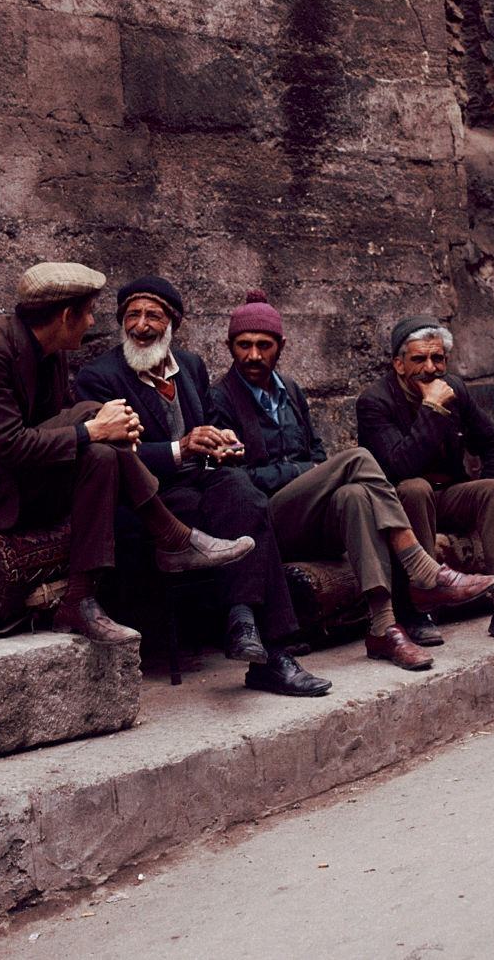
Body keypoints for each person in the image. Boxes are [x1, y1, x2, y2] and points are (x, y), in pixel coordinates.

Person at [0, 262, 254, 645]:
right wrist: (95, 428)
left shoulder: (51, 352)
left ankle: (80, 600)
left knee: (102, 454)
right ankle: (172, 536)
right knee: (93, 417)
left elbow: (57, 429)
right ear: (66, 316)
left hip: (15, 475)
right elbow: (11, 444)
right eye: (88, 313)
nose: (92, 322)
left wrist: (100, 432)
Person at [210, 291, 494, 671]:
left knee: (354, 495)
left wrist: (311, 470)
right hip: (266, 521)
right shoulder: (220, 399)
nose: (253, 355)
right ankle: (422, 567)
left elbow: (315, 452)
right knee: (358, 458)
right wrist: (303, 472)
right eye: (243, 345)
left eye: (263, 345)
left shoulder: (290, 391)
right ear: (229, 346)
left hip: (310, 515)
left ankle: (383, 628)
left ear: (281, 346)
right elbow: (232, 478)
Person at [75, 275, 331, 697]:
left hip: (200, 482)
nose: (141, 325)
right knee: (244, 509)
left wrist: (221, 446)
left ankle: (245, 624)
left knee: (244, 492)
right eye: (132, 316)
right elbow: (114, 456)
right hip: (149, 500)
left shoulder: (190, 366)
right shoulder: (100, 377)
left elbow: (206, 434)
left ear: (172, 324)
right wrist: (181, 449)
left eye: (153, 316)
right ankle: (268, 646)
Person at [355, 315, 494, 647]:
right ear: (399, 364)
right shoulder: (375, 402)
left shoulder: (454, 389)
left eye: (438, 358)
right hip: (400, 508)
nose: (430, 368)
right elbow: (400, 466)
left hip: (448, 496)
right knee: (415, 488)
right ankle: (416, 608)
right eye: (419, 359)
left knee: (493, 489)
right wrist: (431, 408)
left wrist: (486, 515)